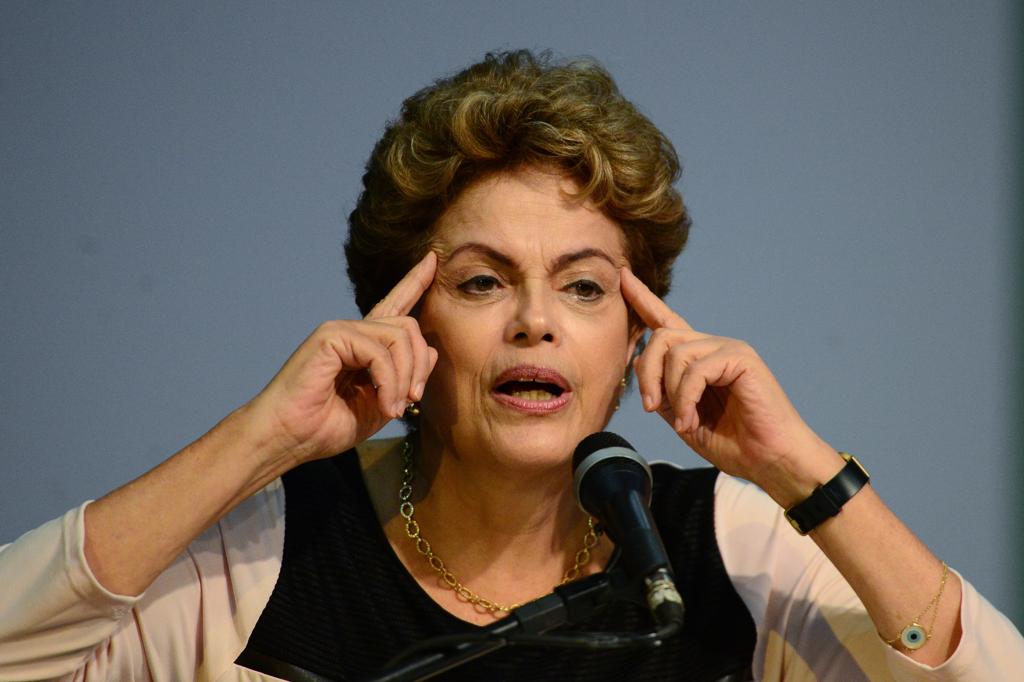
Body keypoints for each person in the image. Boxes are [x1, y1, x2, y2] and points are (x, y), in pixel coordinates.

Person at [1, 49, 1022, 682]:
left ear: (634, 339)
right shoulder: (264, 557)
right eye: (484, 282)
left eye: (583, 288)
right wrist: (257, 441)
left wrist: (801, 468)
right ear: (407, 322)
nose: (536, 322)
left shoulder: (730, 550)